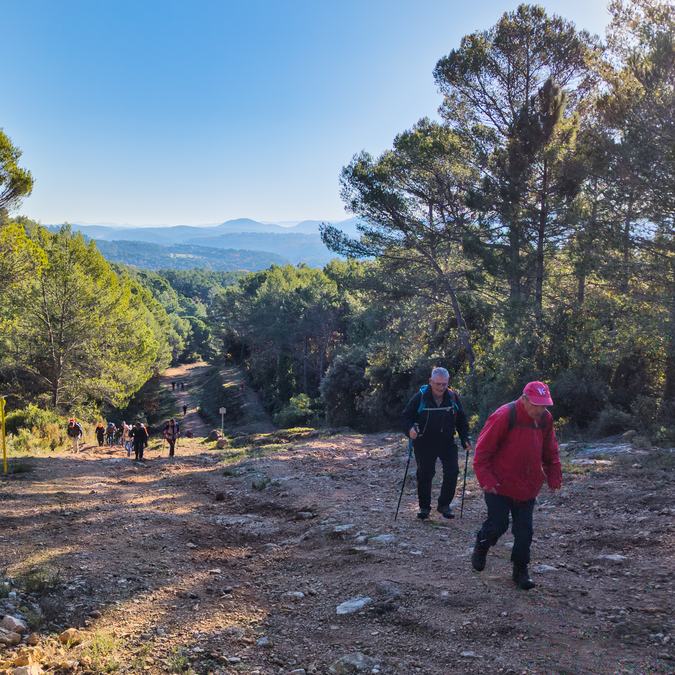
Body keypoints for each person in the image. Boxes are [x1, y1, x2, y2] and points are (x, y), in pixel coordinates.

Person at [471, 381, 562, 590]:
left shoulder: (545, 419)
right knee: (498, 524)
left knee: (525, 532)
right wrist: (487, 480)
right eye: (537, 405)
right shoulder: (505, 415)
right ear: (524, 399)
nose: (541, 409)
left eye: (544, 405)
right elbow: (482, 452)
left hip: (527, 486)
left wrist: (554, 474)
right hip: (499, 484)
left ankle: (520, 570)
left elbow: (551, 450)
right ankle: (482, 545)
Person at [402, 367, 472, 520]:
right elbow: (406, 417)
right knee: (425, 473)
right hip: (424, 441)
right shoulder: (420, 397)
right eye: (438, 384)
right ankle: (424, 508)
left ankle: (444, 505)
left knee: (452, 472)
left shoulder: (452, 397)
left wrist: (464, 438)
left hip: (447, 441)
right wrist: (410, 430)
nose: (441, 387)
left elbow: (461, 419)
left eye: (444, 384)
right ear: (430, 382)